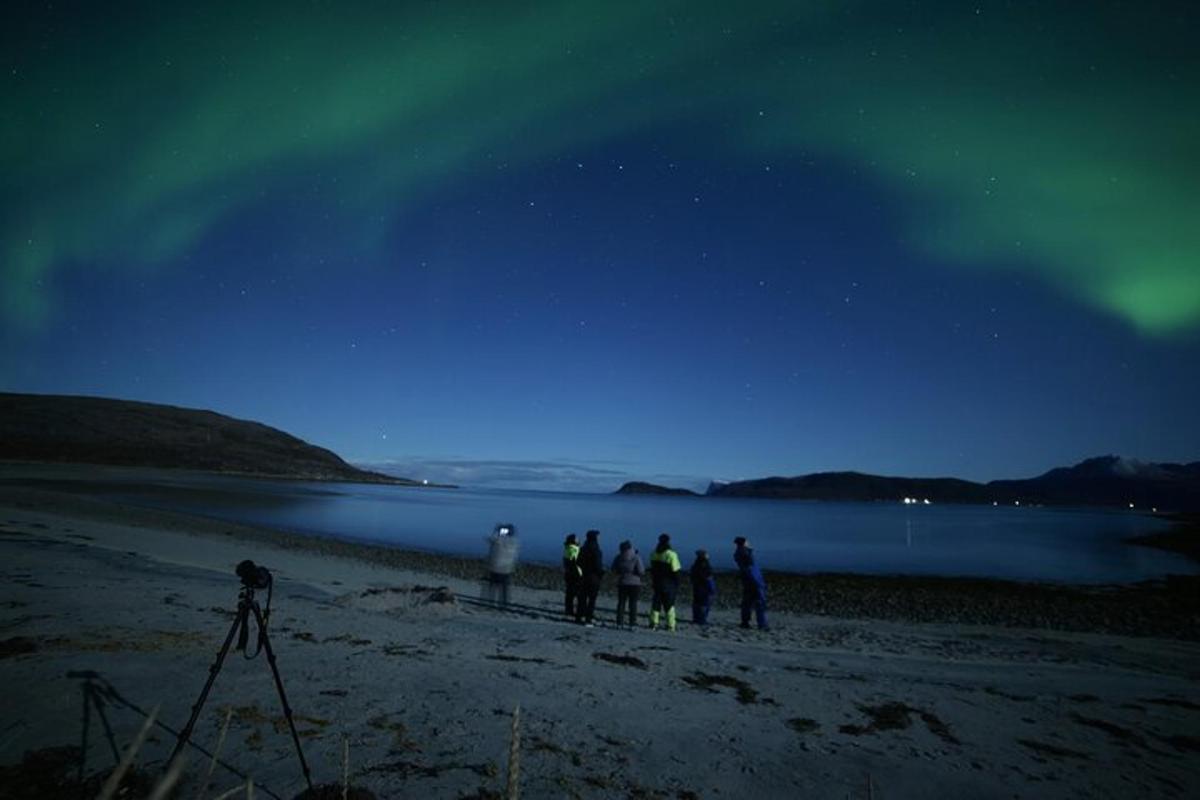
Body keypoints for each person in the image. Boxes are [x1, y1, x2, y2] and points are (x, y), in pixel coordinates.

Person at [733, 536, 768, 630]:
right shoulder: (745, 553)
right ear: (744, 543)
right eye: (747, 541)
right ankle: (762, 624)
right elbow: (751, 569)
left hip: (748, 581)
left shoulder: (741, 553)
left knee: (747, 603)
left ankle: (745, 622)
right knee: (759, 603)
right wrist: (759, 583)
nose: (748, 542)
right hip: (753, 581)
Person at [648, 533, 681, 631]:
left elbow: (652, 569)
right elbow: (676, 570)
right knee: (669, 605)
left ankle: (653, 623)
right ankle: (670, 625)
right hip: (669, 584)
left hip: (657, 582)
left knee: (656, 604)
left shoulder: (653, 553)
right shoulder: (671, 554)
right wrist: (677, 583)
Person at [611, 540, 644, 628]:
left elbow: (613, 569)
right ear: (630, 547)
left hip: (622, 582)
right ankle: (632, 624)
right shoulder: (636, 557)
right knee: (633, 604)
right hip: (635, 583)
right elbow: (641, 571)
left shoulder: (618, 557)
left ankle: (619, 623)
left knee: (621, 603)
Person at [484, 523, 520, 606]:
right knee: (504, 589)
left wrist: (496, 530)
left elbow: (488, 539)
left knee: (493, 587)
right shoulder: (514, 542)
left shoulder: (498, 540)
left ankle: (491, 602)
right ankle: (504, 603)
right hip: (507, 569)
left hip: (495, 568)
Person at [575, 529, 604, 626]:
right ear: (595, 538)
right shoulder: (596, 550)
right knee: (592, 599)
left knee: (582, 598)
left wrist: (583, 569)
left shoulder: (583, 548)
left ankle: (579, 617)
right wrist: (600, 573)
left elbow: (578, 562)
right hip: (593, 577)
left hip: (584, 576)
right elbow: (598, 565)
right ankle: (588, 618)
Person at [689, 549, 716, 625]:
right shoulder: (705, 564)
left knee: (697, 602)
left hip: (697, 586)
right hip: (704, 586)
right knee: (704, 603)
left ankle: (696, 618)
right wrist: (712, 587)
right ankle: (702, 620)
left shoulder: (695, 564)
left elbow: (692, 576)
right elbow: (708, 577)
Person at [562, 533, 582, 618]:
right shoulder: (574, 550)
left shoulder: (567, 549)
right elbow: (575, 562)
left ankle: (568, 610)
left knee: (569, 594)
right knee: (577, 594)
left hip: (569, 574)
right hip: (576, 574)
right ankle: (575, 611)